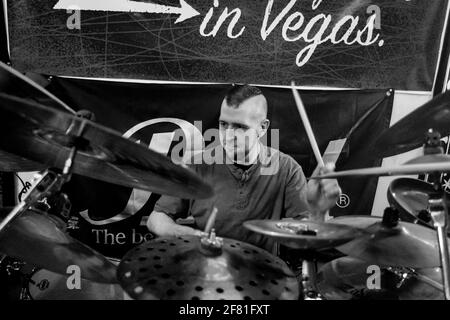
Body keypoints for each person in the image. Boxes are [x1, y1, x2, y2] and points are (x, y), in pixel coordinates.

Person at [147, 85, 341, 253]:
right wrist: (192, 235)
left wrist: (318, 212)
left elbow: (308, 238)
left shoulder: (286, 169)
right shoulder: (197, 164)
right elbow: (156, 219)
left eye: (240, 126)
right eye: (224, 124)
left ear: (263, 128)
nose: (228, 135)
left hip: (263, 275)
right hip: (206, 269)